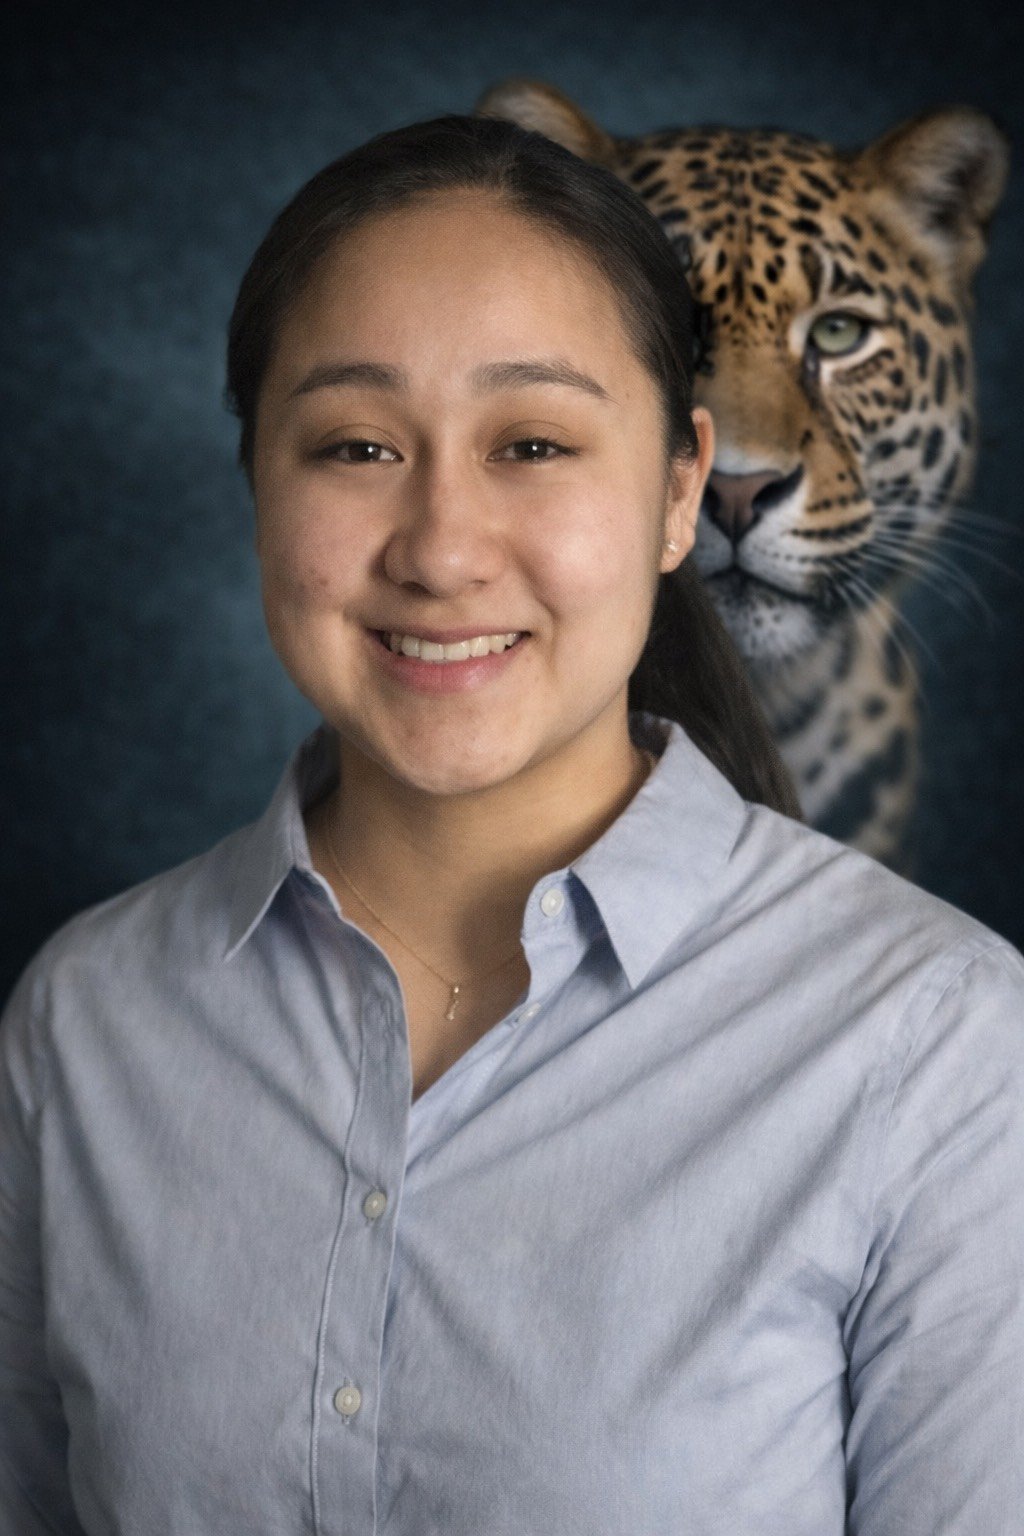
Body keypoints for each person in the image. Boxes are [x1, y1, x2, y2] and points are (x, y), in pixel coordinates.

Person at [1, 112, 1021, 1536]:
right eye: (355, 445)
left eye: (534, 442)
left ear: (680, 492)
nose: (441, 550)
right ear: (253, 486)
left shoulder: (943, 1043)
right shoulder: (84, 1024)